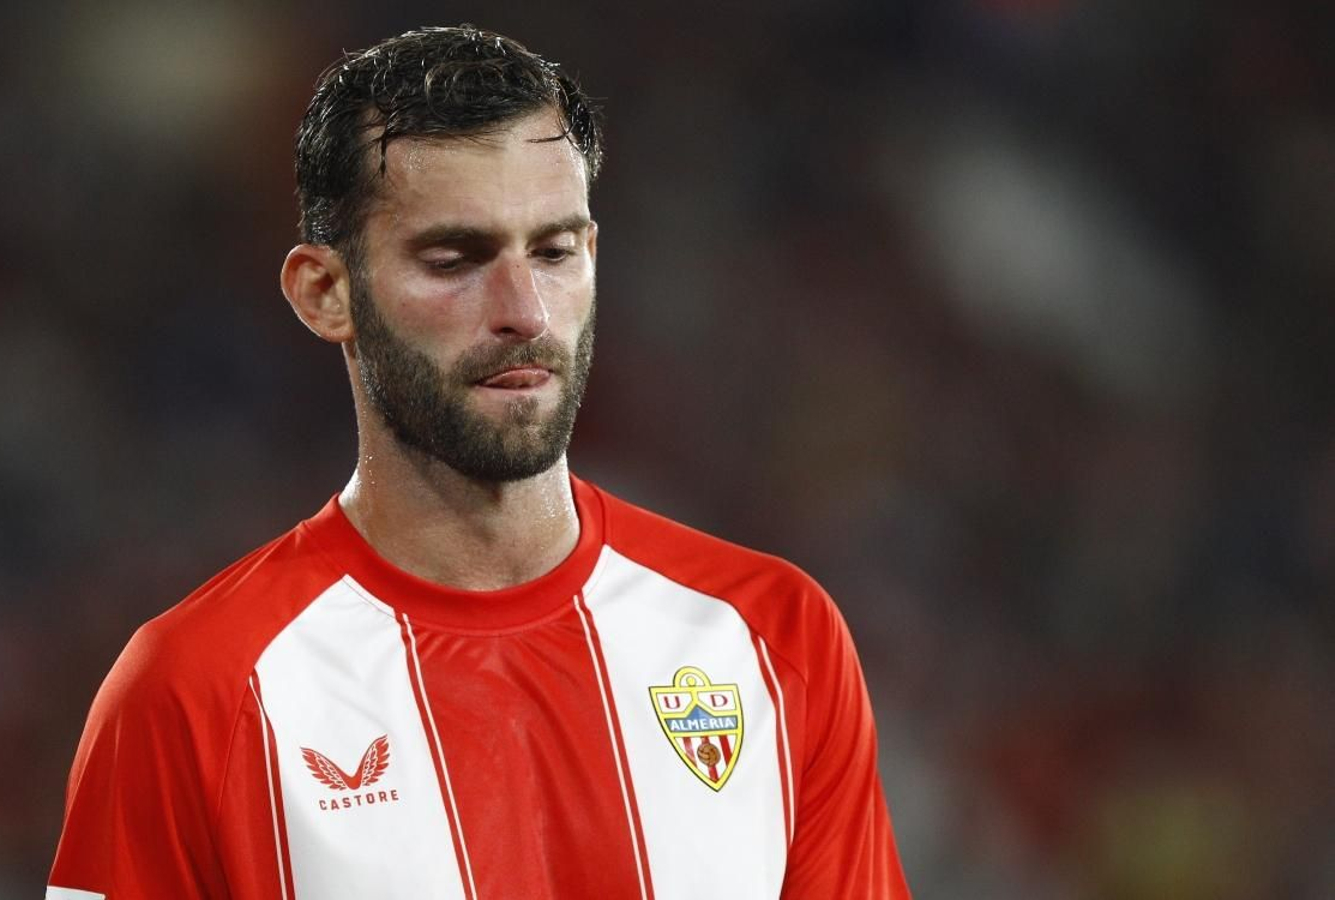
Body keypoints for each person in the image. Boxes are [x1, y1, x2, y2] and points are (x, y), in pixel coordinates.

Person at [46, 24, 908, 900]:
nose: (525, 312)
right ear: (325, 292)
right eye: (454, 259)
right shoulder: (197, 694)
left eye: (554, 251)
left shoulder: (772, 641)